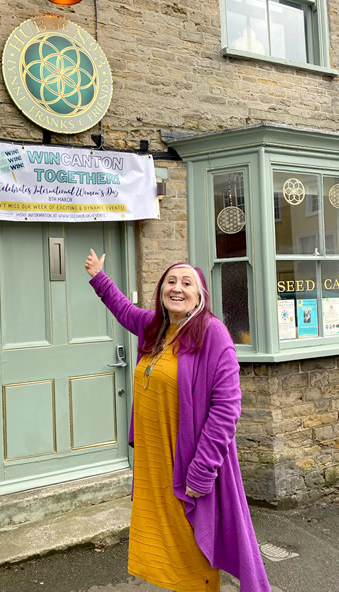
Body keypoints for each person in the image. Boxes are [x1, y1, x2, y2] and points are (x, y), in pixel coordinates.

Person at [85, 249, 271, 592]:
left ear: (200, 296)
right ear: (161, 291)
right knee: (164, 549)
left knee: (192, 548)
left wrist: (201, 472)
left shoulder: (213, 335)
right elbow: (124, 310)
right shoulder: (155, 327)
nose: (177, 288)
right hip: (155, 462)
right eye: (171, 281)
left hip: (188, 466)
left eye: (187, 283)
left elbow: (226, 409)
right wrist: (98, 277)